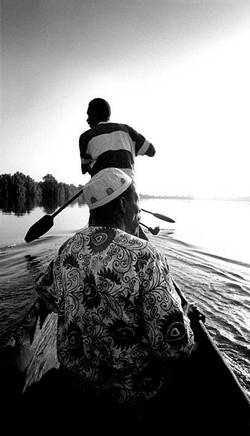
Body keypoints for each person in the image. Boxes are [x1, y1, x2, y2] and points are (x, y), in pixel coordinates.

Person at [22, 168, 195, 434]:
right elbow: (175, 347)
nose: (139, 208)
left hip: (79, 383)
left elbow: (47, 294)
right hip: (132, 393)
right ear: (125, 203)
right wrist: (183, 314)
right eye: (137, 201)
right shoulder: (146, 255)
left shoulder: (69, 247)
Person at [79, 98, 156, 178]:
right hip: (128, 187)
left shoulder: (85, 137)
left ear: (94, 116)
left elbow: (85, 169)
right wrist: (128, 152)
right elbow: (152, 151)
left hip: (103, 187)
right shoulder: (127, 130)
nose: (87, 120)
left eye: (89, 115)